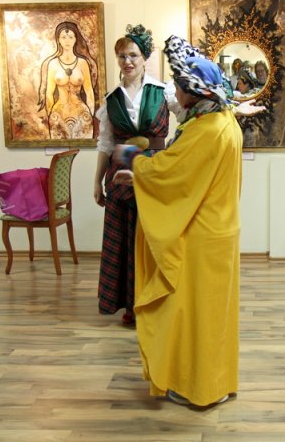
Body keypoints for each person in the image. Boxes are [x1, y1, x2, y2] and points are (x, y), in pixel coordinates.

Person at [112, 35, 242, 407]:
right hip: (220, 230)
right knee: (213, 315)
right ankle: (216, 381)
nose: (176, 93)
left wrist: (135, 166)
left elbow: (172, 173)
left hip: (200, 235)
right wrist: (143, 172)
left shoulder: (206, 130)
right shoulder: (223, 121)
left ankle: (197, 387)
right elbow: (183, 171)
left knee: (194, 315)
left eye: (180, 87)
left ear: (194, 91)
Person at [94, 24, 175, 325]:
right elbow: (105, 144)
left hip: (154, 173)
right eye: (122, 56)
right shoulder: (111, 99)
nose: (127, 61)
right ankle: (130, 306)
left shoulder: (164, 91)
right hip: (119, 176)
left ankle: (155, 303)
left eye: (133, 55)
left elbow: (190, 116)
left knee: (152, 238)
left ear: (144, 58)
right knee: (125, 242)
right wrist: (96, 182)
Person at [38, 21, 97, 140]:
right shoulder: (53, 64)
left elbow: (89, 92)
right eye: (63, 37)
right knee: (60, 148)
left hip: (82, 115)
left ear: (75, 39)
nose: (67, 41)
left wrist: (90, 114)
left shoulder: (83, 63)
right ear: (58, 40)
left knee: (84, 148)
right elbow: (49, 93)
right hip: (58, 115)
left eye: (70, 37)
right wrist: (51, 115)